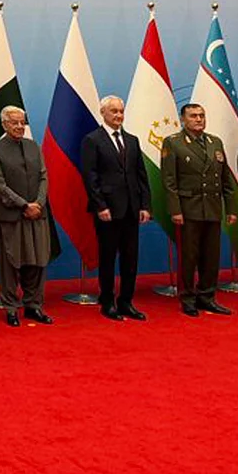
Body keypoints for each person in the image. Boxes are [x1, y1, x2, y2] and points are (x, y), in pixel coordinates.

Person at [161, 103, 238, 318]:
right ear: (183, 120)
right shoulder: (174, 143)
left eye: (202, 115)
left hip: (212, 208)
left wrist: (230, 208)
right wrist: (175, 210)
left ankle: (207, 296)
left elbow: (225, 179)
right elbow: (169, 181)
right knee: (189, 256)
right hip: (188, 209)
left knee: (211, 256)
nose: (198, 119)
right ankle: (187, 298)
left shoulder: (215, 142)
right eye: (193, 116)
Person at [79, 95, 151, 321]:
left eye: (121, 111)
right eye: (114, 112)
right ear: (103, 113)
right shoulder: (93, 140)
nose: (119, 115)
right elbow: (90, 177)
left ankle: (126, 301)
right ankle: (107, 300)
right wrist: (100, 206)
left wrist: (145, 205)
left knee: (131, 258)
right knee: (108, 257)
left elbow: (141, 175)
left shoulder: (132, 140)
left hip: (131, 208)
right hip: (108, 211)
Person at [0, 105, 53, 327]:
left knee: (38, 261)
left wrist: (39, 204)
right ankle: (11, 308)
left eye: (22, 122)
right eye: (14, 122)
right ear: (4, 124)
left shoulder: (34, 146)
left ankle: (34, 305)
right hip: (12, 217)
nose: (19, 126)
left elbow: (44, 177)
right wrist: (24, 205)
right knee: (10, 264)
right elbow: (0, 186)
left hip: (37, 215)